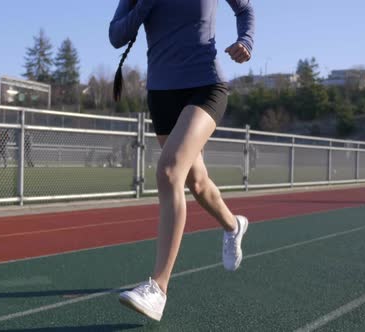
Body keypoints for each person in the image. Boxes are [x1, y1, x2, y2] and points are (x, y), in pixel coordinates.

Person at [109, 0, 255, 321]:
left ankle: (158, 288)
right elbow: (116, 35)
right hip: (162, 93)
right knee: (197, 182)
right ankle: (233, 226)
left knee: (169, 170)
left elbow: (244, 8)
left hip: (206, 85)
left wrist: (246, 40)